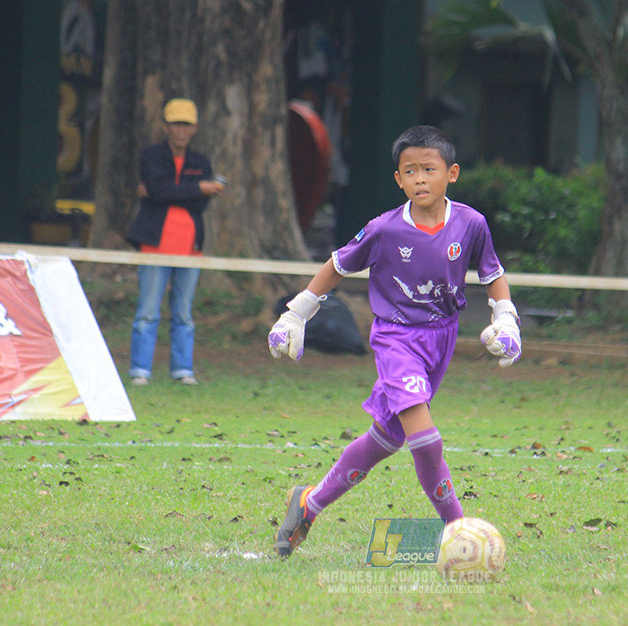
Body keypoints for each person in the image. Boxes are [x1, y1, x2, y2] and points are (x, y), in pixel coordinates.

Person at [268, 124, 522, 558]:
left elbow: (492, 272)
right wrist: (296, 314)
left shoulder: (471, 223)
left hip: (441, 339)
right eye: (410, 171)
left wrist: (506, 319)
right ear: (398, 179)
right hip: (396, 339)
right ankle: (459, 531)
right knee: (426, 441)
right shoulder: (384, 229)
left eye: (429, 168)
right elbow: (337, 264)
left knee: (386, 439)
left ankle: (307, 505)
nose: (420, 178)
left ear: (452, 173)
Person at [126, 98, 225, 386]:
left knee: (183, 312)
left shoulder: (200, 162)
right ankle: (140, 370)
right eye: (176, 124)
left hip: (190, 246)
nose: (181, 130)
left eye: (186, 125)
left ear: (194, 128)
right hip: (154, 245)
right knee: (147, 311)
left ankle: (182, 369)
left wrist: (171, 191)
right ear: (165, 127)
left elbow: (168, 194)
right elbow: (159, 190)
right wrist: (196, 189)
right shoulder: (151, 156)